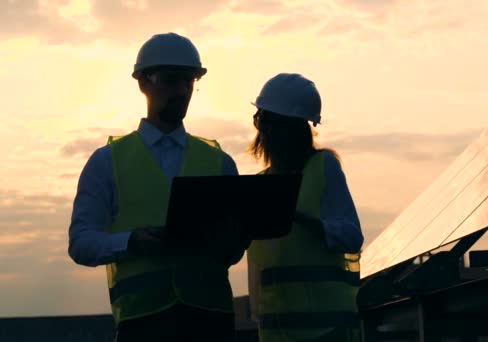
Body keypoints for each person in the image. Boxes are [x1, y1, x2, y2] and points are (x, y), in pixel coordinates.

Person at [68, 32, 248, 341]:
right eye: (170, 80)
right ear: (143, 83)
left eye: (188, 81)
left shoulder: (221, 163)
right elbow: (81, 243)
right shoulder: (106, 162)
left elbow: (231, 252)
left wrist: (232, 241)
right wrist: (131, 241)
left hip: (209, 320)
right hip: (143, 322)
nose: (181, 90)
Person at [247, 73, 364, 341]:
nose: (265, 130)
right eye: (261, 120)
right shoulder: (259, 187)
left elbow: (351, 236)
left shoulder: (323, 168)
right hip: (277, 332)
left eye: (272, 122)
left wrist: (306, 221)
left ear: (296, 128)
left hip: (327, 329)